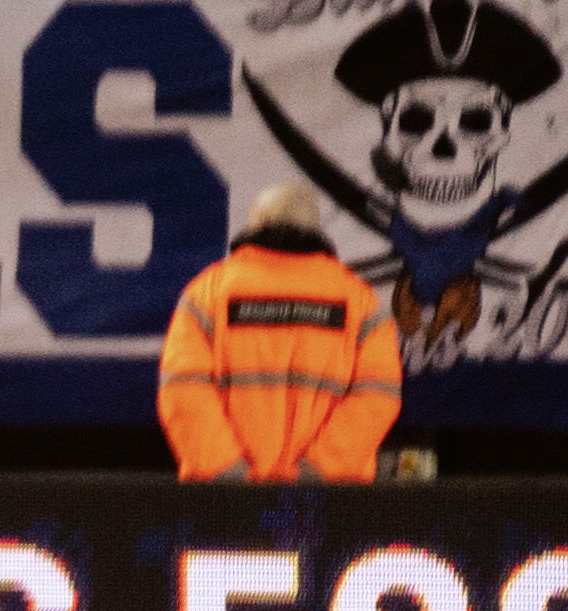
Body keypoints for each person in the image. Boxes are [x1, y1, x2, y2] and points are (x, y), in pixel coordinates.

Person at [155, 182, 404, 481]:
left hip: (222, 503)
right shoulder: (361, 303)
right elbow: (377, 397)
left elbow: (183, 390)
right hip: (325, 506)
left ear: (255, 224)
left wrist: (228, 476)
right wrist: (315, 476)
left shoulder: (206, 295)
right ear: (316, 229)